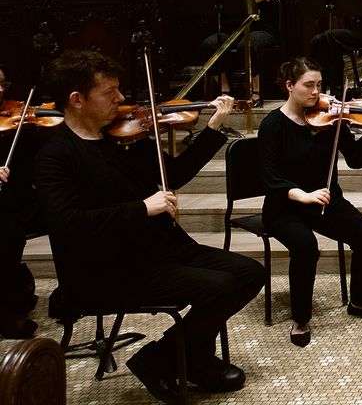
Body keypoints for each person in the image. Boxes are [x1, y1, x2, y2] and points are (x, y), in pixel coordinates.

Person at [36, 49, 264, 402]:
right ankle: (187, 360)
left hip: (158, 250)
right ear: (77, 100)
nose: (121, 99)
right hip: (107, 268)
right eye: (109, 93)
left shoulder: (122, 140)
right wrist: (142, 208)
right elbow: (67, 223)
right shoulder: (55, 157)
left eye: (119, 89)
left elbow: (174, 174)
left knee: (249, 273)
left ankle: (165, 358)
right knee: (218, 286)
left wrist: (214, 126)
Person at [258, 57, 362, 347]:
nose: (316, 92)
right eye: (308, 85)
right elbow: (271, 179)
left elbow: (358, 159)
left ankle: (361, 302)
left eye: (319, 85)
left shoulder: (330, 119)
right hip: (285, 206)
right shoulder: (272, 125)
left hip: (325, 200)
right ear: (289, 86)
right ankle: (300, 319)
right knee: (305, 247)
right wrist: (304, 194)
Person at [197, 0, 278, 106]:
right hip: (234, 30)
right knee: (208, 45)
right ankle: (225, 89)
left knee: (246, 46)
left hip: (260, 29)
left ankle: (255, 91)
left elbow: (248, 0)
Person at [0, 62, 40, 339]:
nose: (0, 90)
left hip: (14, 201)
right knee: (7, 233)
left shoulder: (13, 118)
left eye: (3, 84)